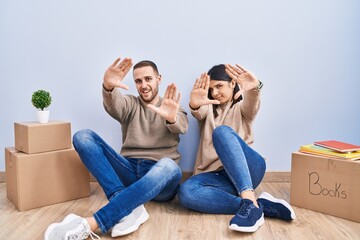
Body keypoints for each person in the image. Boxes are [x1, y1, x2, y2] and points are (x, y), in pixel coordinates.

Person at [44, 57, 189, 239]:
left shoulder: (172, 106)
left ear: (159, 79)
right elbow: (114, 105)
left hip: (160, 177)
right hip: (129, 170)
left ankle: (92, 223)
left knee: (168, 165)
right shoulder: (130, 104)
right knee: (82, 136)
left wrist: (171, 118)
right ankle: (129, 209)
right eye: (138, 81)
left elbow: (182, 126)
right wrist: (108, 87)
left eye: (148, 79)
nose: (143, 85)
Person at [178, 64, 295, 233]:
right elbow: (199, 112)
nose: (215, 92)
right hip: (218, 178)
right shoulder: (208, 109)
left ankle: (248, 198)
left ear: (232, 84)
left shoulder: (242, 109)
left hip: (249, 169)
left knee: (221, 133)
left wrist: (254, 89)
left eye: (219, 86)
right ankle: (255, 205)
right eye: (212, 89)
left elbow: (251, 104)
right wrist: (194, 105)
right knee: (185, 192)